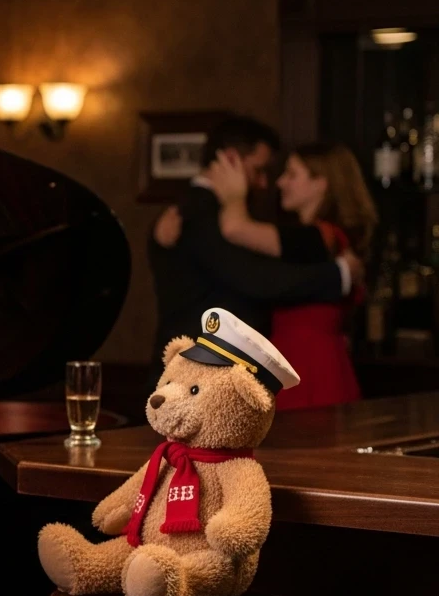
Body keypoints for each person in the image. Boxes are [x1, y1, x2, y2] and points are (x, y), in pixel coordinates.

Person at [145, 115, 360, 391]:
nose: (265, 182)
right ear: (231, 159)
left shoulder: (195, 209)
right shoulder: (199, 211)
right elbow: (256, 279)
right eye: (259, 170)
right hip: (196, 377)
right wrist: (339, 275)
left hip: (220, 375)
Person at [198, 143, 376, 410]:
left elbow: (235, 228)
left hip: (308, 366)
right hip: (313, 360)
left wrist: (234, 194)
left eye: (292, 174)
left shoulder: (317, 238)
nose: (281, 182)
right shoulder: (324, 237)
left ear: (321, 183)